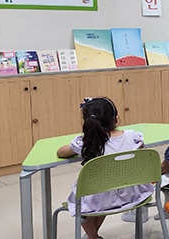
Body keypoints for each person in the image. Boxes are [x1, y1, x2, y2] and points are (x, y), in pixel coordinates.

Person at [56, 97, 152, 239]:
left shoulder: (86, 142)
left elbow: (60, 152)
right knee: (104, 191)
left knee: (87, 200)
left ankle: (93, 236)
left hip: (102, 199)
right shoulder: (132, 137)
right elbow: (141, 147)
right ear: (116, 119)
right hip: (131, 195)